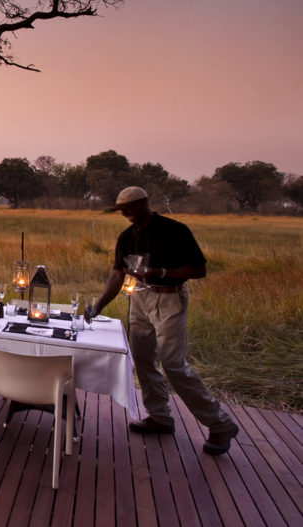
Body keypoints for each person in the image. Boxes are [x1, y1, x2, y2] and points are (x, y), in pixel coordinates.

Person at [88, 186, 239, 455]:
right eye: (121, 209)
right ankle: (160, 416)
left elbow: (199, 269)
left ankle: (220, 424)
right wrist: (99, 305)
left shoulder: (175, 231)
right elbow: (118, 274)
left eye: (127, 208)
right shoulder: (127, 236)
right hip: (140, 298)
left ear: (143, 203)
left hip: (170, 298)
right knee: (143, 359)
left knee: (173, 365)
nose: (124, 213)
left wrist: (160, 272)